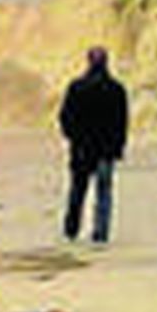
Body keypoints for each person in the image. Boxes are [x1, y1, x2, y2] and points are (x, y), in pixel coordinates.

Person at [57, 46, 129, 244]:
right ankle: (100, 233)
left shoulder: (76, 87)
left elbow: (64, 118)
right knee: (103, 194)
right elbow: (122, 122)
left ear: (88, 62)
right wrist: (119, 147)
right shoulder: (116, 89)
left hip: (81, 149)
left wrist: (72, 138)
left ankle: (71, 230)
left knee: (77, 191)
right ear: (106, 63)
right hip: (106, 150)